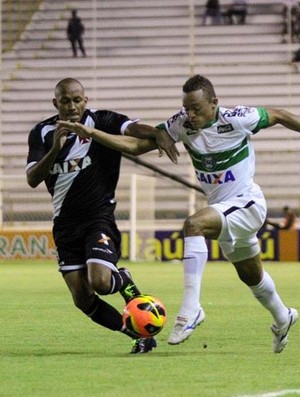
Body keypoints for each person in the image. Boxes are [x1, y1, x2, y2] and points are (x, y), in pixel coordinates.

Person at [59, 74, 299, 354]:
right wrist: (94, 134)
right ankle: (284, 317)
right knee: (252, 277)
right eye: (187, 108)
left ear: (214, 103)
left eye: (197, 109)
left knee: (193, 225)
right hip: (223, 210)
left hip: (247, 203)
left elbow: (280, 115)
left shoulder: (237, 118)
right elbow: (137, 147)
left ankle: (191, 308)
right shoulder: (182, 124)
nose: (191, 115)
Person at [25, 78, 177, 354]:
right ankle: (138, 333)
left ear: (85, 100)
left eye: (76, 100)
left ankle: (123, 278)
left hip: (98, 217)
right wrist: (56, 150)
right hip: (64, 225)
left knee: (101, 282)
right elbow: (33, 178)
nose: (71, 106)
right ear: (55, 103)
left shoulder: (102, 121)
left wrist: (158, 132)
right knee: (83, 299)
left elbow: (132, 128)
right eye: (65, 101)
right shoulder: (42, 133)